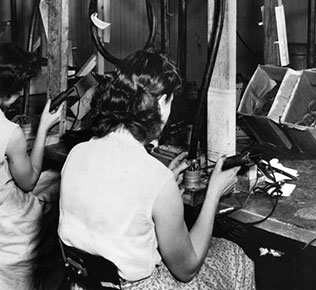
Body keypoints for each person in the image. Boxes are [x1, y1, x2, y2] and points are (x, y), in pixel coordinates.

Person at [58, 49, 256, 289]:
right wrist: (213, 193)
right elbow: (187, 269)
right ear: (161, 103)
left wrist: (164, 183)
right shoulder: (155, 178)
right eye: (171, 100)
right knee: (234, 255)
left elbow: (112, 203)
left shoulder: (78, 153)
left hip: (84, 283)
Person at [0, 43, 62, 289]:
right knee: (58, 182)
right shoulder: (8, 132)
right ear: (10, 94)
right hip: (10, 233)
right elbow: (29, 182)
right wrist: (43, 128)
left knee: (50, 179)